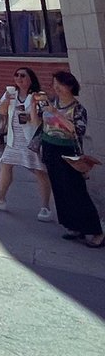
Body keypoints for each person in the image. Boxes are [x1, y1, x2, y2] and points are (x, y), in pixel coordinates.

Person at [39, 70, 103, 246]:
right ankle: (73, 226)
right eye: (54, 84)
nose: (56, 88)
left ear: (70, 86)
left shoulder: (78, 108)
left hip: (68, 152)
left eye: (60, 84)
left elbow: (77, 130)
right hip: (50, 148)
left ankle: (95, 231)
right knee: (60, 191)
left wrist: (56, 114)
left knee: (76, 191)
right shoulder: (53, 103)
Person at [0, 67, 52, 218]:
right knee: (5, 164)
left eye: (23, 76)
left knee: (39, 171)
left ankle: (45, 207)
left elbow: (42, 119)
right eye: (16, 75)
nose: (19, 78)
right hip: (14, 137)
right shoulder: (11, 93)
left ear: (30, 79)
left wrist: (31, 113)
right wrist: (6, 101)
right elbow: (1, 112)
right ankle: (0, 198)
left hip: (31, 138)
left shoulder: (37, 96)